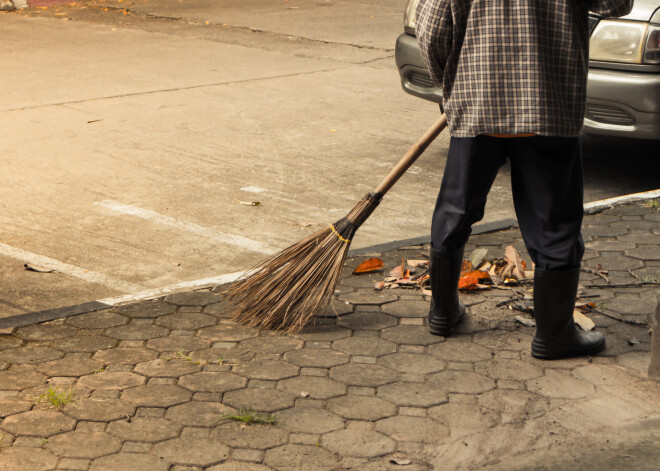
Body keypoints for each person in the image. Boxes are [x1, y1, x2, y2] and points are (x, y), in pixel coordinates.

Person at [415, 0, 633, 359]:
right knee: (554, 221)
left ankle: (442, 313)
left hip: (478, 101)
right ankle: (553, 334)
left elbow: (433, 29)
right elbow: (616, 3)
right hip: (547, 103)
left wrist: (450, 82)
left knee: (456, 207)